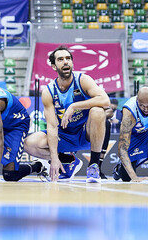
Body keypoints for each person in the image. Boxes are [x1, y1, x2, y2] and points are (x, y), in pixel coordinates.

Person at [23, 46, 110, 182]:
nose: (65, 62)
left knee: (98, 111)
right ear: (53, 66)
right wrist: (54, 158)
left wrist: (74, 106)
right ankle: (68, 161)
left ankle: (93, 165)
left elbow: (105, 100)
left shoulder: (82, 80)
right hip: (63, 135)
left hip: (85, 133)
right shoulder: (49, 91)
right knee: (29, 143)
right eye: (60, 59)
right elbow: (52, 126)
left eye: (68, 59)